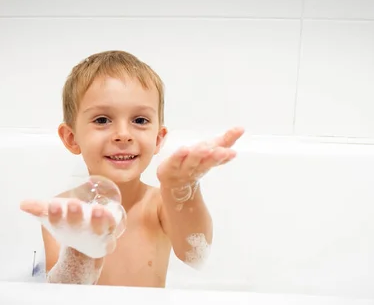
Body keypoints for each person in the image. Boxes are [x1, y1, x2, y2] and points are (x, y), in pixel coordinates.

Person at [20, 50, 244, 288]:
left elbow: (194, 255)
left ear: (158, 139)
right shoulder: (65, 212)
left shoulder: (159, 203)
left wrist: (182, 191)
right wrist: (80, 251)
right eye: (102, 120)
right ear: (72, 138)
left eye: (140, 120)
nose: (123, 135)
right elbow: (59, 296)